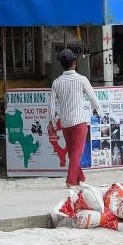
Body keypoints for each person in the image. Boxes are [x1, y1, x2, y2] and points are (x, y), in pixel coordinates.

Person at [49, 49, 103, 187]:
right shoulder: (82, 79)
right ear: (74, 63)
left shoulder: (56, 82)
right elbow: (93, 98)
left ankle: (80, 178)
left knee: (73, 151)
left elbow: (52, 104)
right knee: (76, 152)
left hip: (65, 122)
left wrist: (53, 122)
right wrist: (100, 113)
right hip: (79, 121)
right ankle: (71, 180)